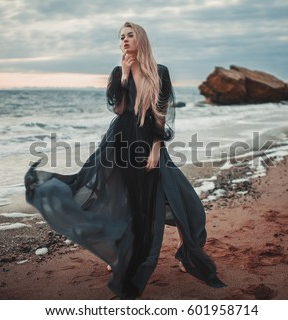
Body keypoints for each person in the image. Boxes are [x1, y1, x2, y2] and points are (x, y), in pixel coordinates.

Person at [24, 21, 225, 299]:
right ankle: (120, 255)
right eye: (121, 37)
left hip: (148, 141)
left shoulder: (160, 72)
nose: (125, 40)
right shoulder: (119, 71)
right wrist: (125, 76)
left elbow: (161, 113)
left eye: (130, 35)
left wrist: (156, 147)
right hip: (120, 142)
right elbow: (119, 110)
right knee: (123, 199)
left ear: (141, 38)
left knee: (183, 200)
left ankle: (186, 253)